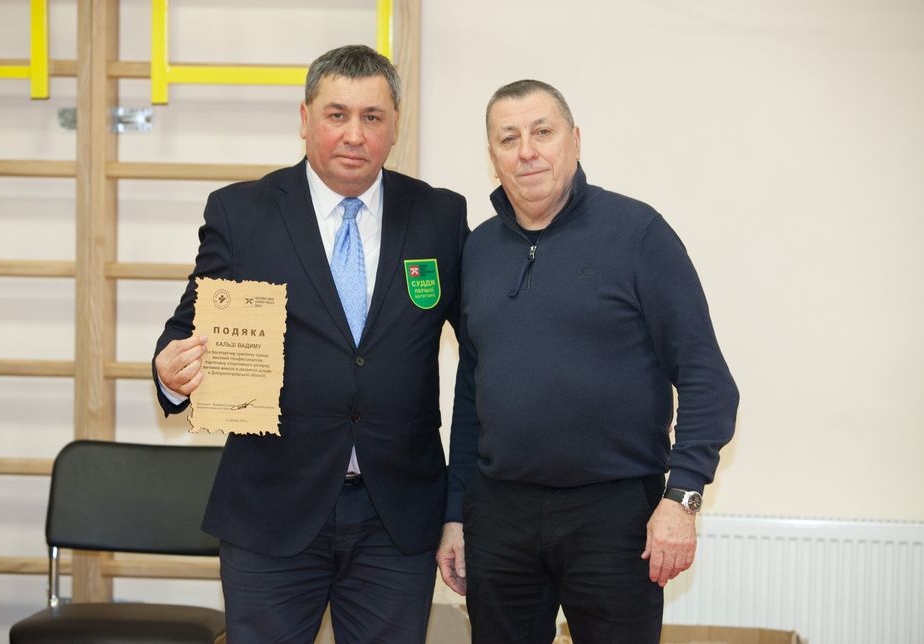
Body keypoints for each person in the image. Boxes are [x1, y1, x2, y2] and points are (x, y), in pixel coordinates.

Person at [153, 45, 468, 643]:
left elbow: (483, 351)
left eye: (372, 117)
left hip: (396, 517)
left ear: (394, 126)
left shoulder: (439, 216)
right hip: (270, 509)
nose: (354, 134)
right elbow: (185, 329)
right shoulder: (242, 212)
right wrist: (170, 374)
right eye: (336, 114)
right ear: (305, 119)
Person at [436, 79, 739, 643]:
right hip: (500, 514)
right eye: (508, 138)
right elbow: (471, 392)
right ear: (493, 156)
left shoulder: (638, 234)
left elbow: (706, 379)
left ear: (574, 141)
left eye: (542, 132)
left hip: (615, 514)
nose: (527, 151)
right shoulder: (477, 251)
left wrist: (682, 499)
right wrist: (457, 513)